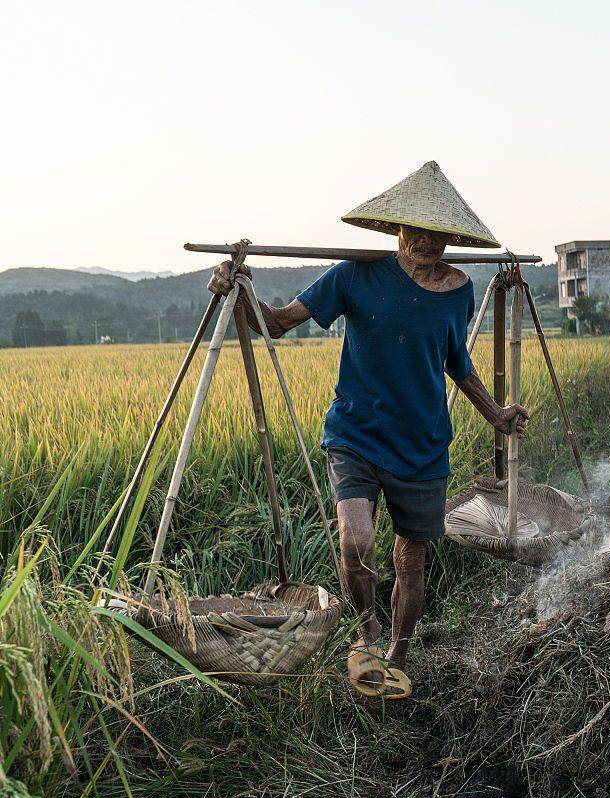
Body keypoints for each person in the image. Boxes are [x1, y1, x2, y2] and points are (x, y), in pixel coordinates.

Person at [207, 161, 528, 698]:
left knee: (411, 560)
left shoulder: (459, 291)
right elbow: (279, 323)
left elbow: (457, 363)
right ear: (394, 229)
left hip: (423, 445)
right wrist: (237, 292)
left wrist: (496, 414)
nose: (423, 240)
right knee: (355, 541)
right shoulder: (354, 275)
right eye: (413, 229)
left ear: (452, 237)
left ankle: (399, 654)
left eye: (436, 232)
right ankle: (368, 630)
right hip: (356, 434)